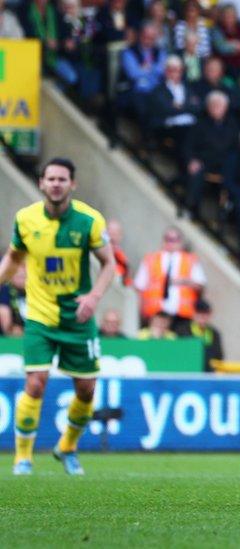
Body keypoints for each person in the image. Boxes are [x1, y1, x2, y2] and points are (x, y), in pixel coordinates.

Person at [0, 158, 116, 475]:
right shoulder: (25, 219)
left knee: (86, 389)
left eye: (62, 179)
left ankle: (67, 447)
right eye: (50, 178)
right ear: (41, 183)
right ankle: (22, 458)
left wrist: (93, 297)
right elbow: (13, 258)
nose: (55, 184)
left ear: (72, 185)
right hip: (39, 315)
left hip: (77, 318)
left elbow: (109, 264)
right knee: (35, 384)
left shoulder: (89, 220)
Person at [133, 227, 206, 334]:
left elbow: (200, 285)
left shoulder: (190, 259)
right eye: (168, 239)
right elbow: (139, 287)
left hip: (181, 317)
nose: (171, 243)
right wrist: (141, 314)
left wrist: (186, 281)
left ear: (181, 241)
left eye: (174, 239)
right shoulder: (151, 259)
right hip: (155, 315)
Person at [189, 299, 223, 371]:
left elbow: (219, 356)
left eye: (205, 314)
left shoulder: (214, 333)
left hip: (208, 374)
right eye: (200, 314)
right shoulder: (184, 331)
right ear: (194, 314)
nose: (203, 318)